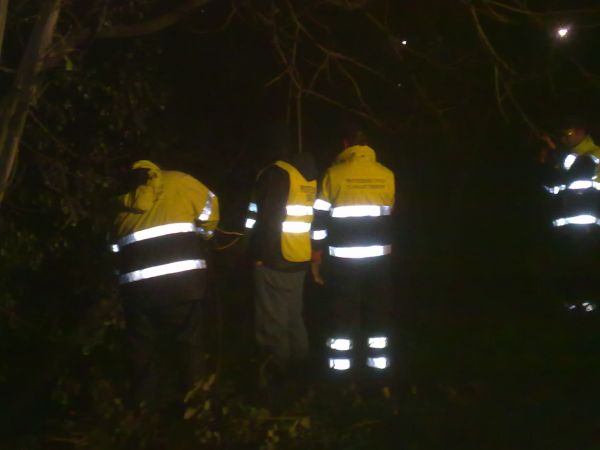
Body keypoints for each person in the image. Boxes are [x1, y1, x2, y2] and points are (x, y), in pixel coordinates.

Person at [111, 159, 219, 410]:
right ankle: (195, 405)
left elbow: (114, 250)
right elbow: (210, 208)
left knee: (143, 350)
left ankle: (143, 408)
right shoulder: (180, 182)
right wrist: (205, 233)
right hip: (183, 285)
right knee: (189, 344)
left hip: (137, 292)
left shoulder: (120, 199)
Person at [311, 123, 395, 375]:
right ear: (367, 145)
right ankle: (378, 372)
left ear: (345, 144)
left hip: (343, 262)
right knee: (378, 315)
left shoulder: (333, 175)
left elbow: (319, 222)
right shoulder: (387, 175)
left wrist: (316, 255)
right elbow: (391, 217)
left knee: (342, 316)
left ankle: (340, 373)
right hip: (380, 262)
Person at [244, 123, 317, 387]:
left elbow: (267, 220)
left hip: (274, 259)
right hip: (298, 256)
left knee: (272, 324)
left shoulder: (275, 175)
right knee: (294, 320)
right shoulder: (305, 176)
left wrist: (258, 254)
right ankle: (302, 378)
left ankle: (277, 382)